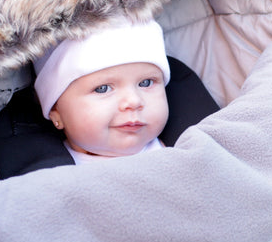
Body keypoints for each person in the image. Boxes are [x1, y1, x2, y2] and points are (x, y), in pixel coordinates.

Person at [33, 18, 171, 164]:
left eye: (146, 83)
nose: (134, 101)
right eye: (102, 89)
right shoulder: (49, 176)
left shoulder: (185, 148)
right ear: (56, 112)